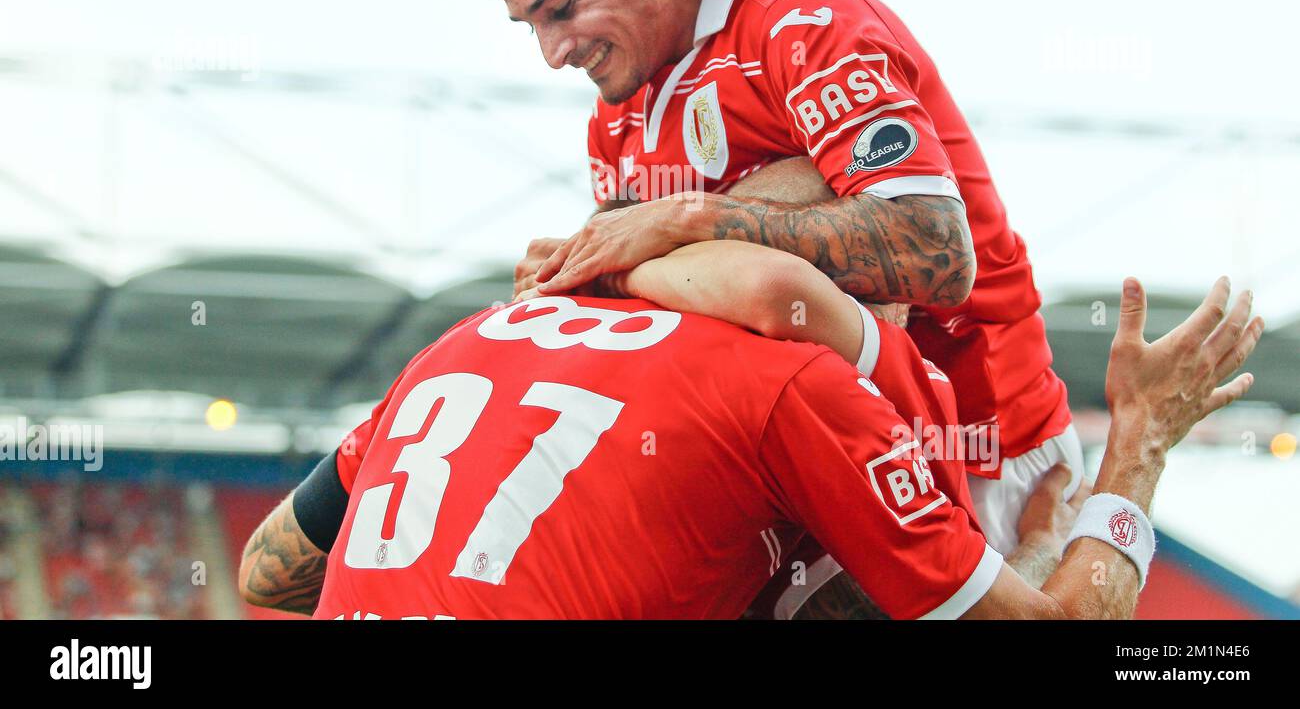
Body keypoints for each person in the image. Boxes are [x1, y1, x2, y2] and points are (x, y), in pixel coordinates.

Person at [414, 0, 1078, 554]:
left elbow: (935, 257)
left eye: (562, 8)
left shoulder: (804, 20)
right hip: (805, 454)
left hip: (978, 457)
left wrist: (687, 219)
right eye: (529, 25)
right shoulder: (618, 108)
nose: (554, 53)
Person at [239, 264, 1261, 619]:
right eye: (904, 305)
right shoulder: (797, 383)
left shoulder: (468, 340)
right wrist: (1140, 439)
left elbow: (266, 569)